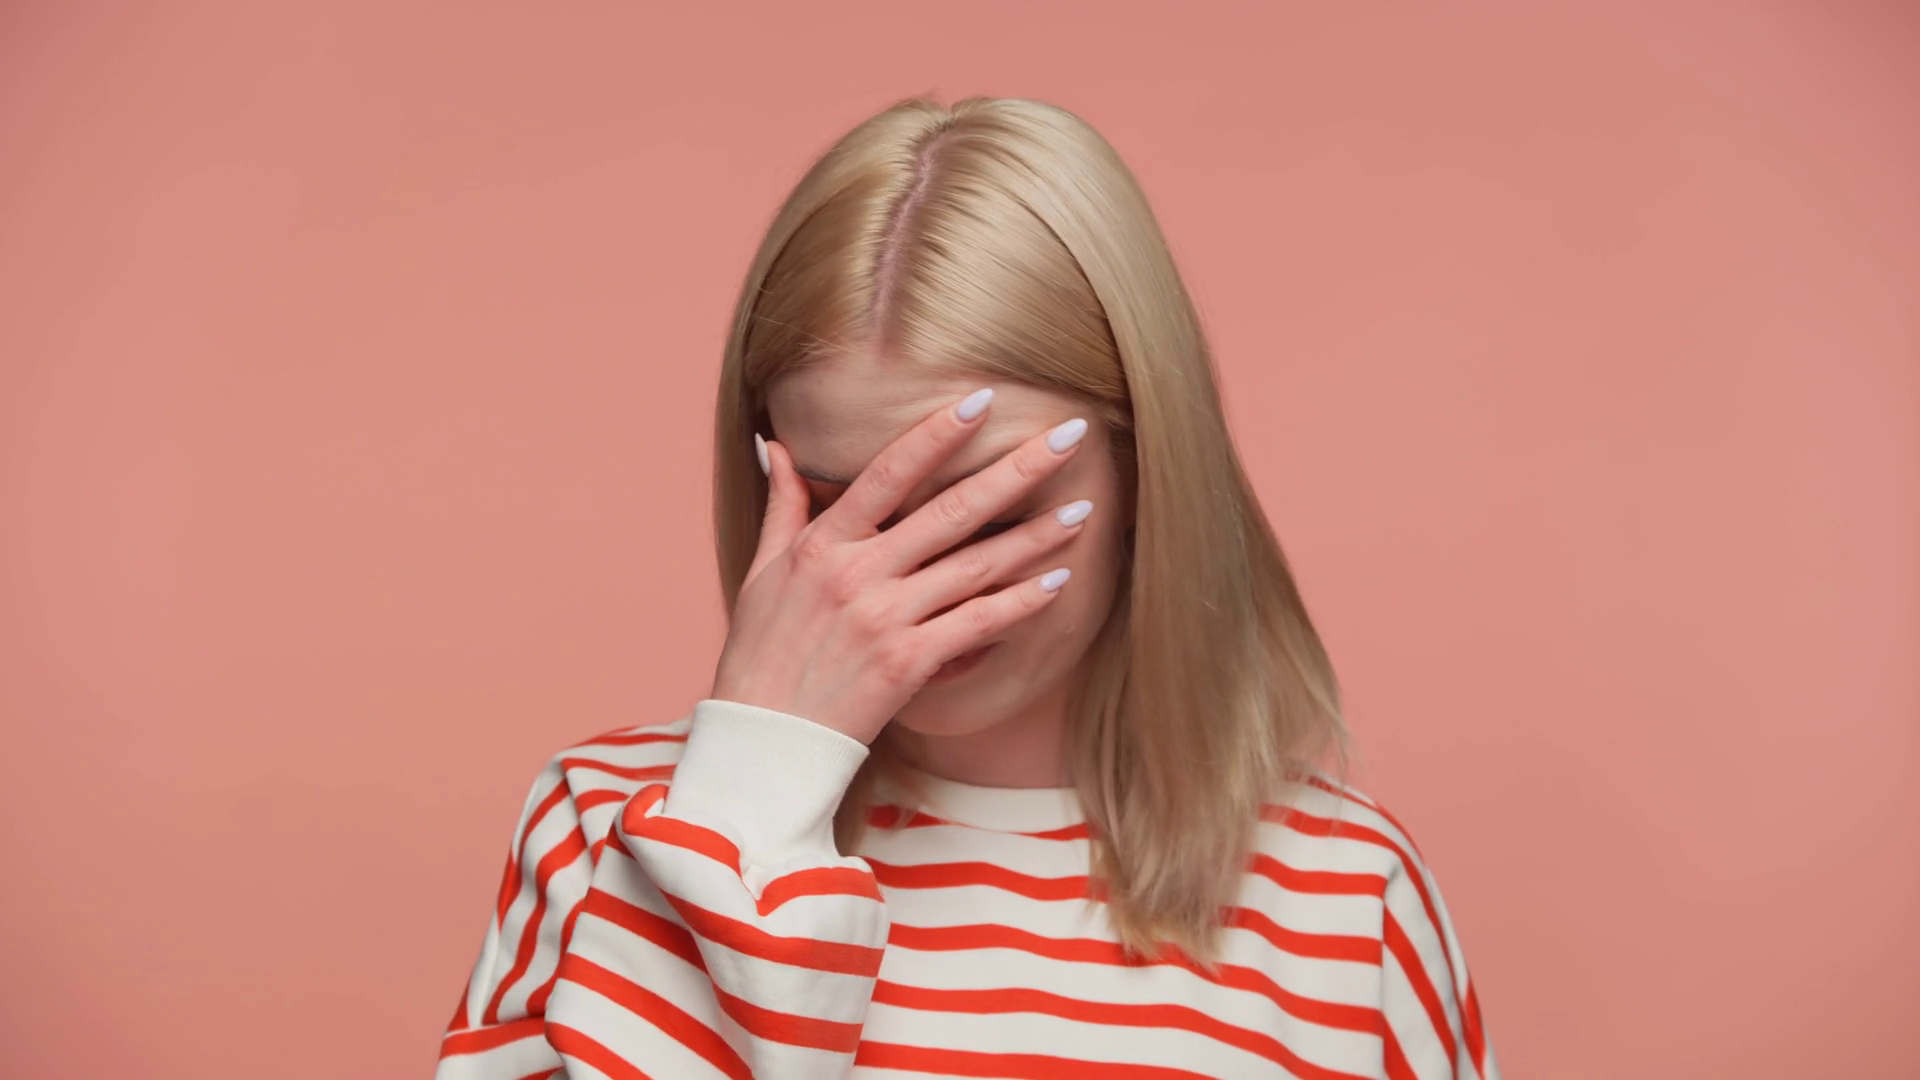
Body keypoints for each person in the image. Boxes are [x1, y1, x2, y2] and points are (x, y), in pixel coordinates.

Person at [434, 95, 1498, 1080]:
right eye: (848, 508)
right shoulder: (609, 828)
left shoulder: (1348, 897)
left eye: (990, 506)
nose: (921, 584)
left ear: (1144, 467)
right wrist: (742, 805)